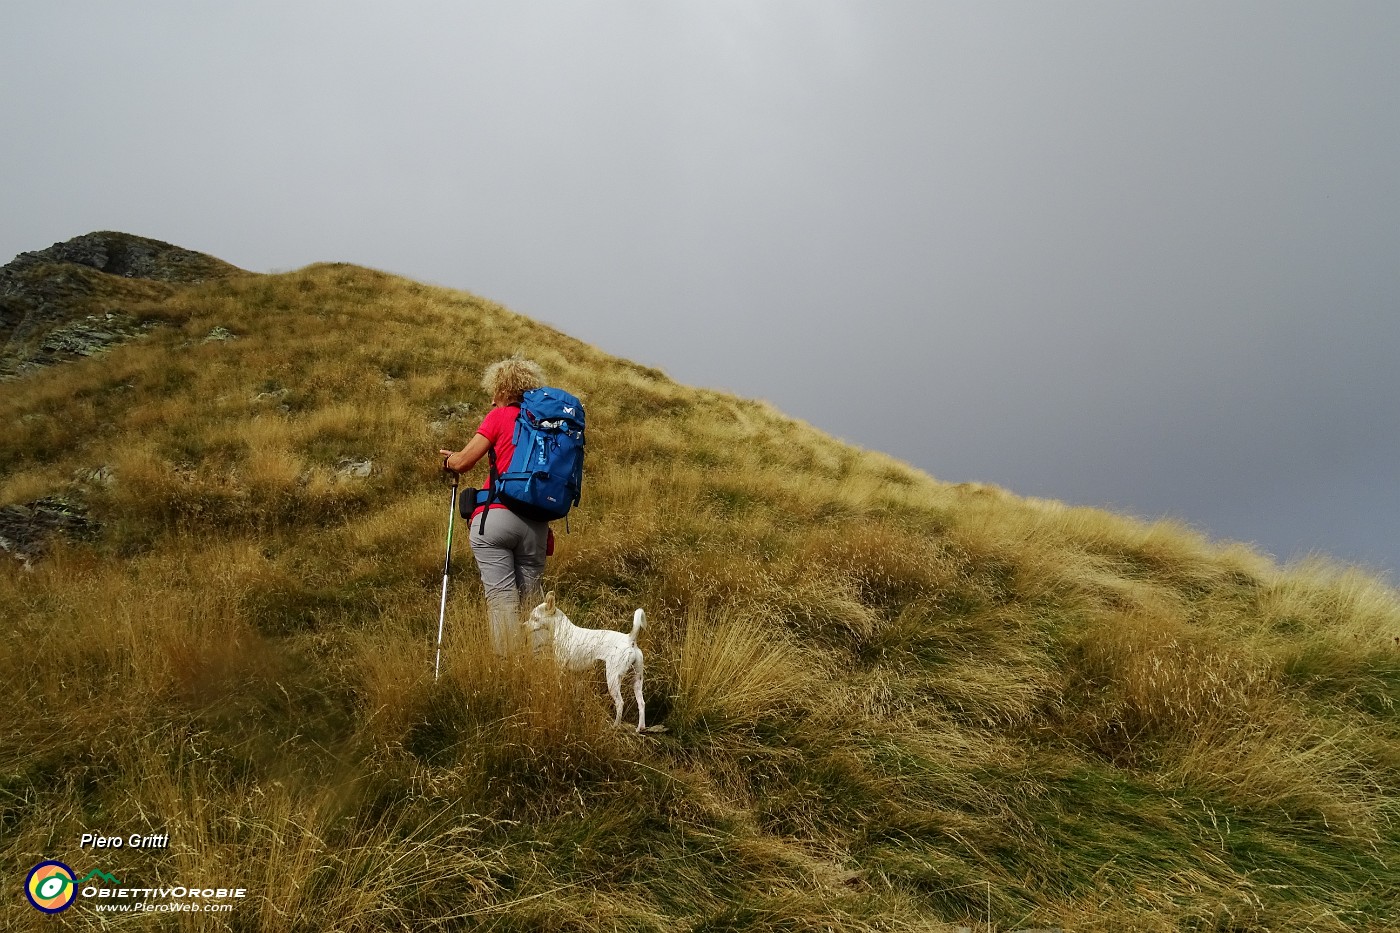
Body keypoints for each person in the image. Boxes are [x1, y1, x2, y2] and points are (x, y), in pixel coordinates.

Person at [439, 355, 551, 654]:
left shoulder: (499, 417)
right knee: (532, 603)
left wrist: (450, 459)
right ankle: (540, 674)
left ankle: (507, 671)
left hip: (497, 519)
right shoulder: (544, 423)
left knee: (502, 601)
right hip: (537, 525)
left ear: (504, 389)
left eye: (495, 393)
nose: (491, 401)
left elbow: (462, 463)